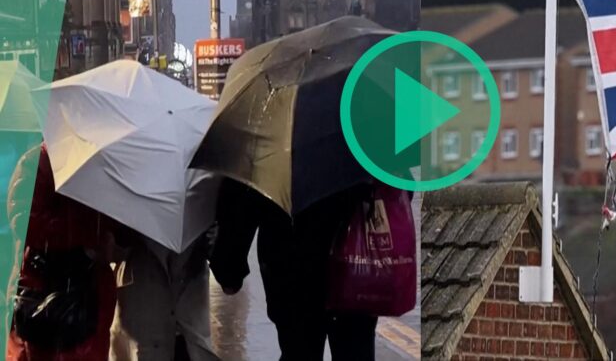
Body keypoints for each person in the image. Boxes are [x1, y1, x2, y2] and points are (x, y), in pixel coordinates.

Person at [209, 178, 377, 361]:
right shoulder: (363, 150)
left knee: (299, 350)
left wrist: (229, 268)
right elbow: (398, 184)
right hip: (357, 267)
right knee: (355, 348)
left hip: (293, 270)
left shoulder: (275, 150)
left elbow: (243, 194)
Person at [6, 144, 117, 361]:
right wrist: (87, 235)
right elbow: (25, 220)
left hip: (90, 296)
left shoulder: (105, 167)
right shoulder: (38, 162)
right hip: (45, 294)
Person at [109, 226, 220, 361]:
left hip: (188, 330)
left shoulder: (202, 211)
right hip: (143, 322)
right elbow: (106, 251)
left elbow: (230, 277)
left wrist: (218, 241)